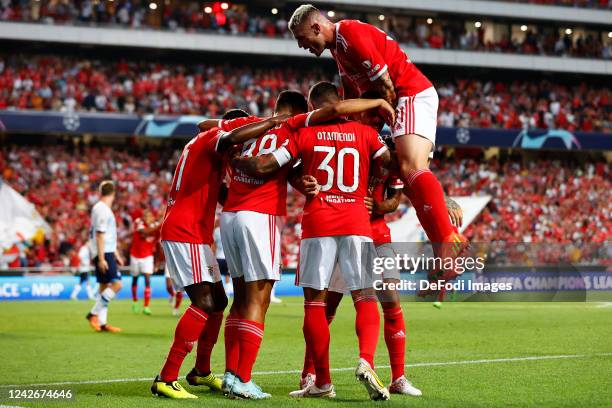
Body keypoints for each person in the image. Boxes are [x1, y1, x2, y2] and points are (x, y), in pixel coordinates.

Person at [288, 5, 469, 292]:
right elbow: (352, 97)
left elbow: (386, 89)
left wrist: (370, 131)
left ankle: (449, 242)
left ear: (315, 27)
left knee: (411, 168)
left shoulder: (351, 36)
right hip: (401, 101)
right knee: (409, 179)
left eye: (301, 38)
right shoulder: (339, 50)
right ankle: (444, 252)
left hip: (408, 94)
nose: (302, 46)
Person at [232, 82, 393, 400]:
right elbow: (389, 161)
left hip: (319, 222)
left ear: (312, 105)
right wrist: (372, 185)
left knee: (315, 304)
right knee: (364, 296)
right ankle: (367, 360)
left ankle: (321, 381)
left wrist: (240, 162)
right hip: (357, 221)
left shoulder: (303, 134)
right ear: (341, 102)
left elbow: (274, 166)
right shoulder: (365, 133)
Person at [151, 109, 289, 399]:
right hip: (185, 231)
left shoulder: (203, 147)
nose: (239, 147)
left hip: (195, 233)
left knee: (219, 301)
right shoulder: (214, 138)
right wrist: (270, 123)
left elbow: (224, 195)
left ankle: (201, 371)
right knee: (204, 301)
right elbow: (232, 136)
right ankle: (167, 377)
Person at [86, 180, 124, 333]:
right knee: (117, 284)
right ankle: (93, 314)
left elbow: (105, 234)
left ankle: (102, 323)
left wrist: (116, 253)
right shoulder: (103, 209)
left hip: (106, 251)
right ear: (113, 193)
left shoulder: (99, 208)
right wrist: (102, 258)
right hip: (104, 252)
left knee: (103, 287)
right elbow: (100, 234)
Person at [129, 209, 161, 315]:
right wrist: (159, 223)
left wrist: (157, 262)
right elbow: (144, 232)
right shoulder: (139, 223)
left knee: (147, 281)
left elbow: (158, 245)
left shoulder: (156, 229)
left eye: (149, 216)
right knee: (135, 279)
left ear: (152, 217)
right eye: (145, 216)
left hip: (147, 257)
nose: (147, 218)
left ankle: (146, 306)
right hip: (135, 256)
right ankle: (134, 301)